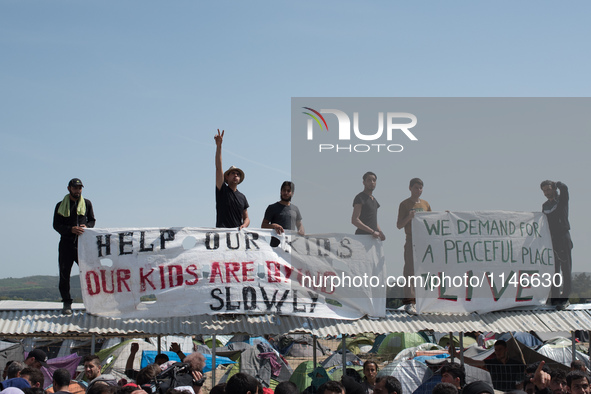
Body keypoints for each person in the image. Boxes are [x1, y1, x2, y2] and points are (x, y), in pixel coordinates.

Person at [53, 178, 96, 315]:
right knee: (64, 274)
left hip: (82, 245)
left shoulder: (87, 203)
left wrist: (87, 227)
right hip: (66, 243)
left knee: (89, 273)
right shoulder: (60, 205)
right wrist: (70, 229)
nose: (77, 190)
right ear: (69, 188)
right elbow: (56, 225)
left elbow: (92, 220)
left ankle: (93, 302)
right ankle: (66, 302)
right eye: (75, 188)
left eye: (80, 188)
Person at [396, 177, 431, 315]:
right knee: (410, 271)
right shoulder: (404, 204)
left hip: (423, 241)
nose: (418, 190)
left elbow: (432, 220)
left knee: (423, 271)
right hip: (411, 239)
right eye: (416, 187)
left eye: (420, 188)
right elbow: (399, 225)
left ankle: (423, 299)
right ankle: (410, 302)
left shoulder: (426, 204)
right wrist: (409, 217)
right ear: (410, 188)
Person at [540, 180, 572, 309]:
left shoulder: (562, 200)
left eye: (549, 189)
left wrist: (556, 183)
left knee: (566, 269)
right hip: (551, 239)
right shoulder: (545, 205)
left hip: (563, 237)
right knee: (554, 270)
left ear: (553, 189)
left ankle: (565, 298)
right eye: (544, 191)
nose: (547, 193)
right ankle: (555, 298)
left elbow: (564, 188)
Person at [451, 339, 524, 392]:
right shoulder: (492, 362)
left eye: (500, 349)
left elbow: (526, 374)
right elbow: (473, 362)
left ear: (506, 349)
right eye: (496, 350)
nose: (498, 352)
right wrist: (456, 355)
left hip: (513, 392)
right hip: (497, 391)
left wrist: (521, 384)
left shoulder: (515, 363)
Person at [215, 129, 249, 229]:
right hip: (222, 234)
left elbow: (246, 217)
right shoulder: (222, 190)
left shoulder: (242, 197)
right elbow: (218, 168)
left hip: (236, 236)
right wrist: (219, 146)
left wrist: (244, 225)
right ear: (226, 177)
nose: (235, 175)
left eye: (238, 174)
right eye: (233, 173)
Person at [262, 181, 305, 246]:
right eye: (284, 190)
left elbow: (299, 225)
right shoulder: (272, 207)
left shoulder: (295, 209)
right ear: (280, 191)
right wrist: (274, 226)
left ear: (292, 193)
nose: (286, 193)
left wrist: (301, 230)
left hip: (291, 248)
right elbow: (263, 225)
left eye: (288, 191)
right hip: (275, 248)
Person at [352, 172, 385, 240]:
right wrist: (372, 231)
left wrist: (380, 232)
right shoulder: (360, 197)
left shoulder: (374, 200)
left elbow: (373, 221)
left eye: (374, 180)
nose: (372, 182)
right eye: (369, 180)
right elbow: (355, 220)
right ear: (364, 182)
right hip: (362, 238)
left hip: (373, 239)